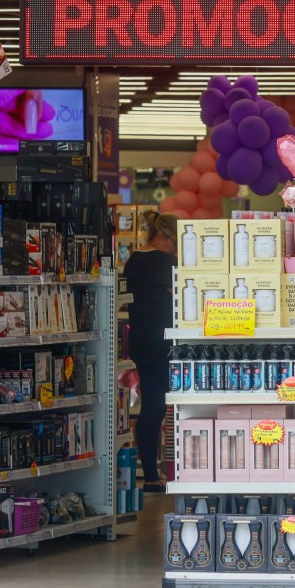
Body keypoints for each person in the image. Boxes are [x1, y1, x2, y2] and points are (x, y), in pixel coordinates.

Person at [123, 211, 178, 493]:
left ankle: (151, 475)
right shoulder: (167, 263)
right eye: (175, 242)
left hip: (142, 341)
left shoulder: (133, 260)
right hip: (166, 342)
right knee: (178, 404)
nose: (176, 249)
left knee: (152, 407)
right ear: (161, 236)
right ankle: (177, 472)